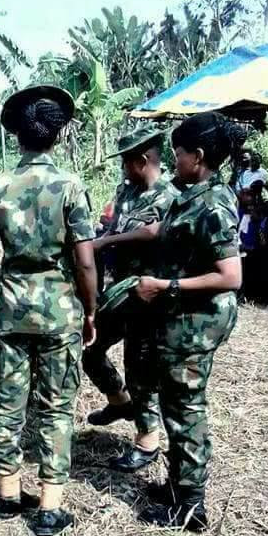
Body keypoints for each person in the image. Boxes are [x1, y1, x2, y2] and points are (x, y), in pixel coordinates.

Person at [0, 85, 97, 536]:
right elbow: (85, 262)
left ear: (18, 136)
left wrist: (10, 280)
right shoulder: (70, 187)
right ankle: (49, 507)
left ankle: (8, 495)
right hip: (60, 313)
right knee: (56, 406)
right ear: (57, 136)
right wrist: (90, 310)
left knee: (8, 402)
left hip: (12, 311)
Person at [129, 112, 244, 532]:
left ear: (197, 156)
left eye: (178, 154)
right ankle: (179, 487)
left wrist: (165, 285)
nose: (173, 161)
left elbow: (230, 276)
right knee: (175, 404)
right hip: (181, 320)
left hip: (195, 323)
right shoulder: (194, 194)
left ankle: (190, 507)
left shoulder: (213, 204)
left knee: (186, 410)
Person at [83, 126, 179, 472]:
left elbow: (155, 232)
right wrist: (102, 239)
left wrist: (107, 242)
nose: (123, 168)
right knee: (91, 349)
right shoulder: (127, 191)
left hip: (147, 294)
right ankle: (119, 401)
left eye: (126, 161)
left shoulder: (170, 195)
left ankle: (147, 441)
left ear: (142, 160)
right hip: (119, 288)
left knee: (140, 367)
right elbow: (114, 226)